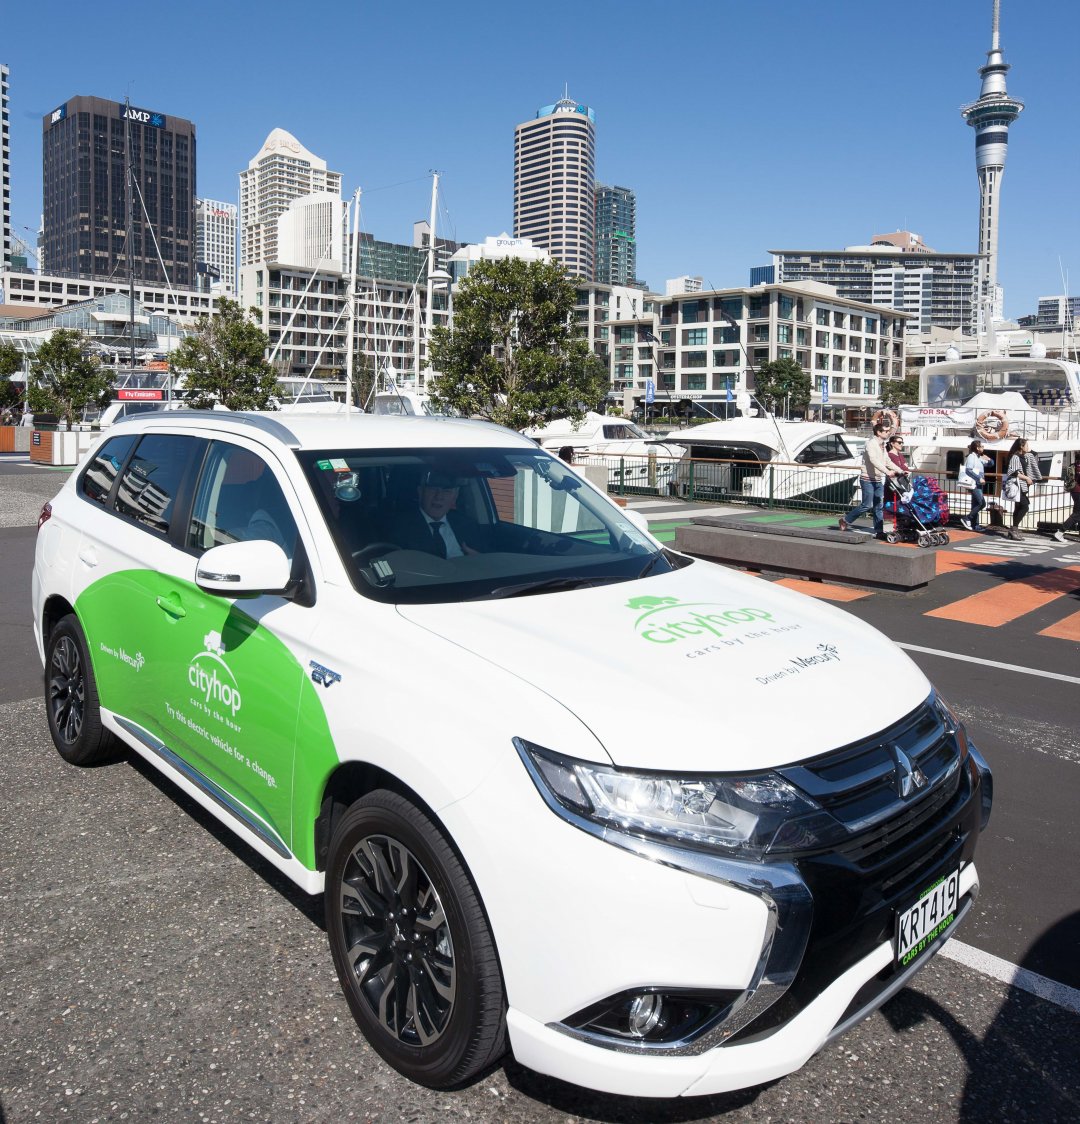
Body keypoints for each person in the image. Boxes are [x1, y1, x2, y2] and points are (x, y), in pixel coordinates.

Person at [386, 468, 487, 557]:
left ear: (455, 496)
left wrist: (478, 559)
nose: (439, 497)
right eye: (433, 489)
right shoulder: (398, 528)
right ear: (420, 492)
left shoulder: (468, 525)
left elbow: (486, 563)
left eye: (446, 491)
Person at [839, 422, 901, 539]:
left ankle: (879, 531)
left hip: (877, 479)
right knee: (867, 505)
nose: (888, 433)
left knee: (878, 505)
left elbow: (887, 461)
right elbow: (873, 460)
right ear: (879, 432)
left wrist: (901, 471)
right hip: (867, 479)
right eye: (886, 431)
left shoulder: (882, 445)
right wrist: (887, 472)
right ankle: (845, 520)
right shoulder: (871, 444)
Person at [1004, 437, 1041, 541]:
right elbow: (1013, 472)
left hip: (1021, 485)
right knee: (1025, 506)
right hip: (1018, 485)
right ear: (1021, 446)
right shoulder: (1016, 457)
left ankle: (1014, 530)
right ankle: (1013, 530)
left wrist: (1029, 450)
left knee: (1018, 507)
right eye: (1026, 445)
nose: (1028, 447)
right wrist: (1027, 478)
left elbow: (1034, 454)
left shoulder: (1023, 456)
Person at [960, 439, 992, 532]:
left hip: (978, 484)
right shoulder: (971, 456)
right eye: (981, 446)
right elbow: (968, 470)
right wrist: (979, 478)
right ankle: (967, 518)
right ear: (977, 448)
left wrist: (989, 459)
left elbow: (991, 464)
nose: (983, 448)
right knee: (982, 503)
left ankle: (975, 525)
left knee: (976, 504)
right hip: (974, 484)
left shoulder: (979, 457)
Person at [1053, 452, 1080, 543]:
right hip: (1079, 491)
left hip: (1074, 490)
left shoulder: (1075, 465)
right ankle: (1060, 532)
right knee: (1077, 514)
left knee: (1077, 513)